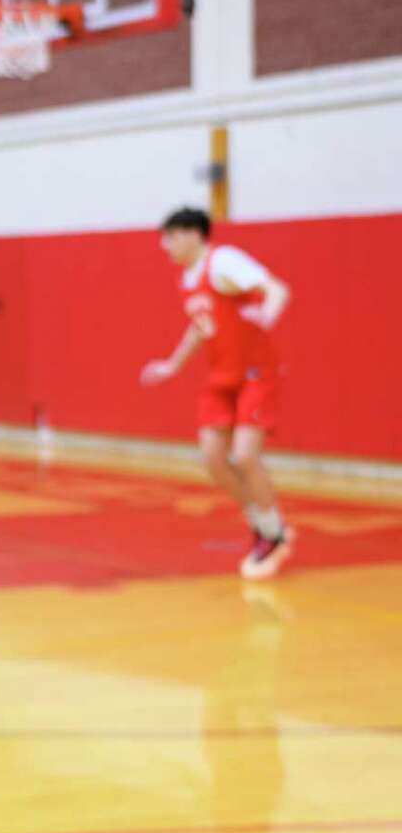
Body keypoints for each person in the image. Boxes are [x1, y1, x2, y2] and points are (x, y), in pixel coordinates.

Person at [140, 207, 294, 579]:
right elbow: (199, 328)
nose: (165, 246)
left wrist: (269, 314)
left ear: (194, 234)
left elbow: (276, 288)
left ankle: (273, 533)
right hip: (222, 378)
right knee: (212, 458)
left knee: (244, 455)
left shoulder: (223, 262)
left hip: (256, 374)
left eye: (171, 236)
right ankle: (264, 525)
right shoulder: (187, 279)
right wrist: (172, 364)